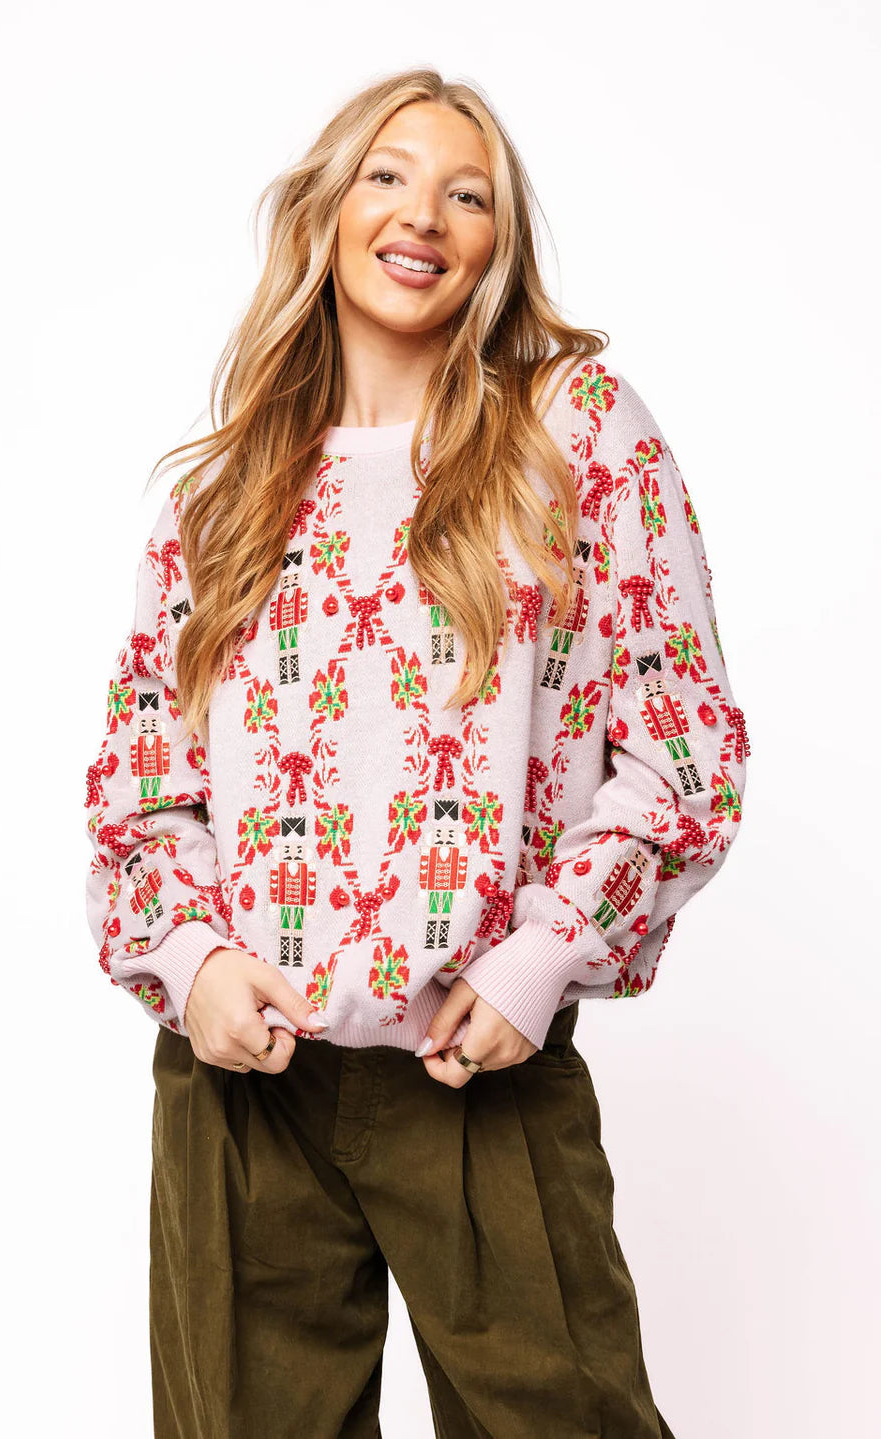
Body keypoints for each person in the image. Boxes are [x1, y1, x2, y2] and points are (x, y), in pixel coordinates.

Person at [83, 67, 749, 1439]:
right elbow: (141, 791)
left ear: (501, 242)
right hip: (246, 1089)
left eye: (468, 195)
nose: (423, 217)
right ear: (327, 210)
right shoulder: (222, 498)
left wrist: (538, 960)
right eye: (387, 176)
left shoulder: (576, 434)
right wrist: (194, 963)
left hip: (479, 1072)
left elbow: (686, 748)